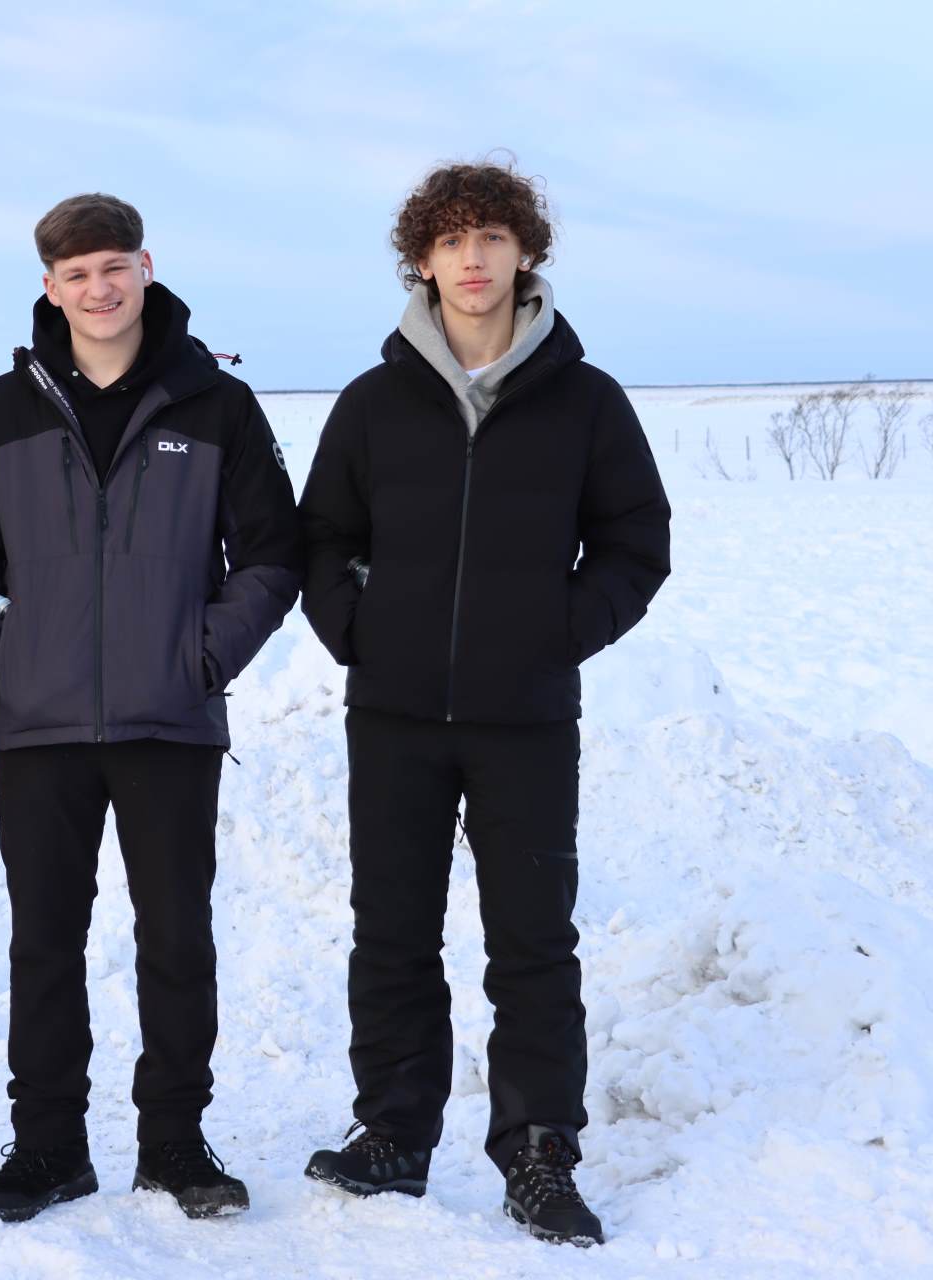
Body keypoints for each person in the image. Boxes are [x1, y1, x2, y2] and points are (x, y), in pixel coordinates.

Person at [297, 159, 671, 1248]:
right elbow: (322, 538)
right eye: (452, 239)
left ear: (524, 253)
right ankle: (393, 1134)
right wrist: (360, 633)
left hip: (527, 720)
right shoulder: (373, 403)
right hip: (396, 715)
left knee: (533, 943)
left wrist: (556, 633)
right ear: (422, 259)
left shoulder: (586, 401)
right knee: (393, 934)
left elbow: (636, 544)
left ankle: (539, 1150)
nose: (473, 259)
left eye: (492, 238)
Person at [0, 193, 301, 1222]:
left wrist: (201, 656)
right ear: (51, 288)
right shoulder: (4, 410)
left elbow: (273, 554)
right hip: (40, 723)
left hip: (169, 723)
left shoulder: (214, 405)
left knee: (176, 937)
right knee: (44, 941)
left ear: (146, 267)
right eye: (77, 274)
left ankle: (175, 1142)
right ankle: (47, 1145)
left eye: (113, 267)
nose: (98, 289)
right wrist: (2, 657)